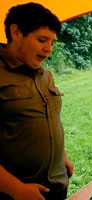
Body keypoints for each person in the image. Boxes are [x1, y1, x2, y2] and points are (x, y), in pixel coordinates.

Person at [0, 3, 73, 200]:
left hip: (57, 185)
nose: (48, 49)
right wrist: (17, 190)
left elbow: (51, 119)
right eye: (42, 40)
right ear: (15, 32)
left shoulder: (46, 75)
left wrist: (62, 157)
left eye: (52, 42)